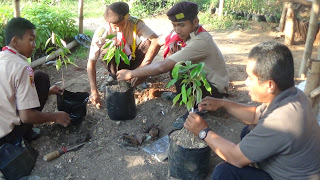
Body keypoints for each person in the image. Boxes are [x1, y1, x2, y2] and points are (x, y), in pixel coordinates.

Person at [185, 41, 320, 179]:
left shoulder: (281, 121)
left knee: (225, 172)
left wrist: (203, 131)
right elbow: (256, 115)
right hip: (292, 167)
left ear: (269, 85)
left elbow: (235, 158)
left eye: (250, 77)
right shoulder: (293, 94)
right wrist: (223, 103)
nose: (246, 82)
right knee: (248, 132)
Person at [117, 1, 229, 128]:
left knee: (177, 67)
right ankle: (183, 97)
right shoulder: (181, 34)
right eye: (174, 25)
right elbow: (156, 42)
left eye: (181, 25)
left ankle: (196, 109)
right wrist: (143, 68)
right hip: (202, 81)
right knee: (176, 62)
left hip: (214, 90)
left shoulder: (201, 41)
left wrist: (131, 73)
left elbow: (162, 67)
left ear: (195, 22)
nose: (177, 30)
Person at [0, 17, 71, 147]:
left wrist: (47, 91)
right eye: (31, 40)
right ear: (15, 41)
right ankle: (23, 135)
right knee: (42, 78)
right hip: (7, 137)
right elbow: (26, 116)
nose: (34, 45)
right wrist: (55, 116)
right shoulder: (22, 67)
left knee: (39, 79)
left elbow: (7, 94)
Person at [87, 2, 160, 109]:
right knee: (106, 49)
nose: (119, 29)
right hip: (116, 63)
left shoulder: (135, 23)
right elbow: (91, 62)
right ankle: (114, 76)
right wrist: (93, 91)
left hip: (134, 60)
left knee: (149, 43)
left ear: (128, 17)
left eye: (122, 24)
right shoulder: (102, 32)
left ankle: (137, 77)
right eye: (115, 26)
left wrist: (142, 70)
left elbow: (156, 40)